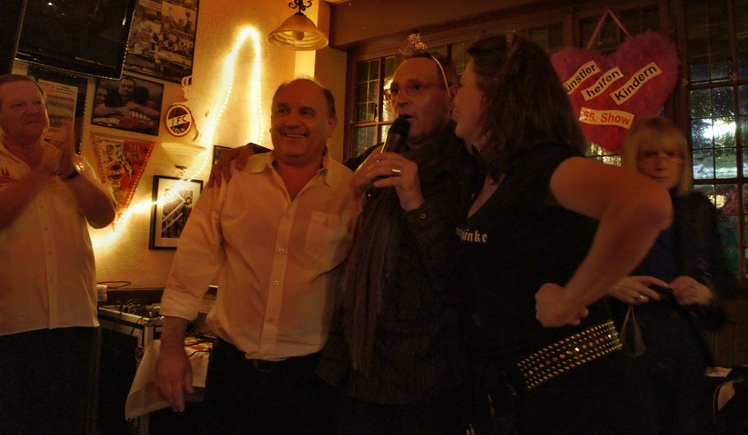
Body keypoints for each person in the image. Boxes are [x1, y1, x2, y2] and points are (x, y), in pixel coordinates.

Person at [211, 42, 476, 434]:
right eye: (395, 91)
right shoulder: (378, 155)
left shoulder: (467, 168)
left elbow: (462, 276)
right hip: (358, 366)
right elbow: (322, 170)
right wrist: (255, 152)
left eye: (416, 88)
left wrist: (415, 203)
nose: (401, 99)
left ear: (451, 95)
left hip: (423, 375)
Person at [449, 33, 673, 433]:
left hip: (581, 400)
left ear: (493, 96)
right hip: (521, 400)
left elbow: (647, 203)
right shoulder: (489, 175)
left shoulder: (543, 165)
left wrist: (573, 298)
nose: (454, 96)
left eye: (462, 84)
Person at [155, 78, 359, 434]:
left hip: (313, 380)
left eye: (306, 112)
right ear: (271, 120)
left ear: (331, 125)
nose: (292, 120)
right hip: (232, 375)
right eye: (283, 110)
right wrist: (171, 349)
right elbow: (189, 269)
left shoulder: (351, 191)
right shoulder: (232, 178)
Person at [0, 73, 116, 433]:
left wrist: (68, 173)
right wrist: (44, 170)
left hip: (75, 319)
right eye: (18, 104)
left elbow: (104, 216)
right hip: (11, 323)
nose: (32, 110)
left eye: (38, 103)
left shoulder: (76, 164)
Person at [608, 116, 733, 435]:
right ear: (634, 160)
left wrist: (704, 291)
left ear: (682, 162)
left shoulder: (697, 210)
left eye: (671, 154)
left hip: (682, 342)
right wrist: (610, 285)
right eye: (650, 154)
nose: (661, 163)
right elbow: (569, 273)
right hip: (626, 342)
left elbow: (723, 278)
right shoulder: (609, 208)